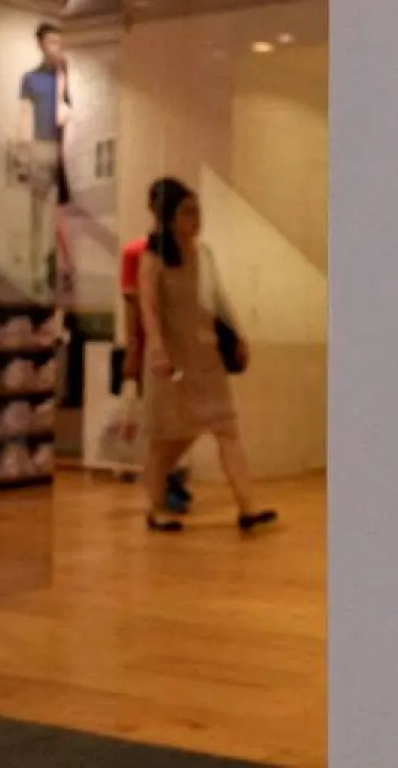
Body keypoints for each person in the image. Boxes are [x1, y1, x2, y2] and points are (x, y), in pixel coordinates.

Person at [138, 178, 276, 533]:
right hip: (171, 361)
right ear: (167, 218)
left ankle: (247, 507)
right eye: (186, 211)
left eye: (197, 210)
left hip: (206, 358)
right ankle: (155, 509)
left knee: (227, 428)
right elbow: (148, 309)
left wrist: (237, 334)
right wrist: (156, 349)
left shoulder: (205, 255)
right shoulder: (152, 260)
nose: (195, 218)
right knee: (168, 442)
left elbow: (218, 302)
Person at [122, 179, 194, 513]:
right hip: (155, 352)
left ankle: (170, 478)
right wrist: (134, 350)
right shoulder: (138, 252)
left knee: (186, 419)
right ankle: (161, 485)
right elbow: (133, 305)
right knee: (160, 421)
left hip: (185, 349)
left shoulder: (186, 249)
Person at [16, 22, 74, 297]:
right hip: (41, 147)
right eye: (51, 42)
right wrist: (23, 156)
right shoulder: (31, 78)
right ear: (40, 43)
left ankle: (60, 269)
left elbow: (67, 114)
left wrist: (64, 78)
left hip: (62, 150)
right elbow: (24, 117)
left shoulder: (65, 77)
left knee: (60, 214)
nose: (56, 48)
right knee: (38, 214)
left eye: (59, 42)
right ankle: (35, 273)